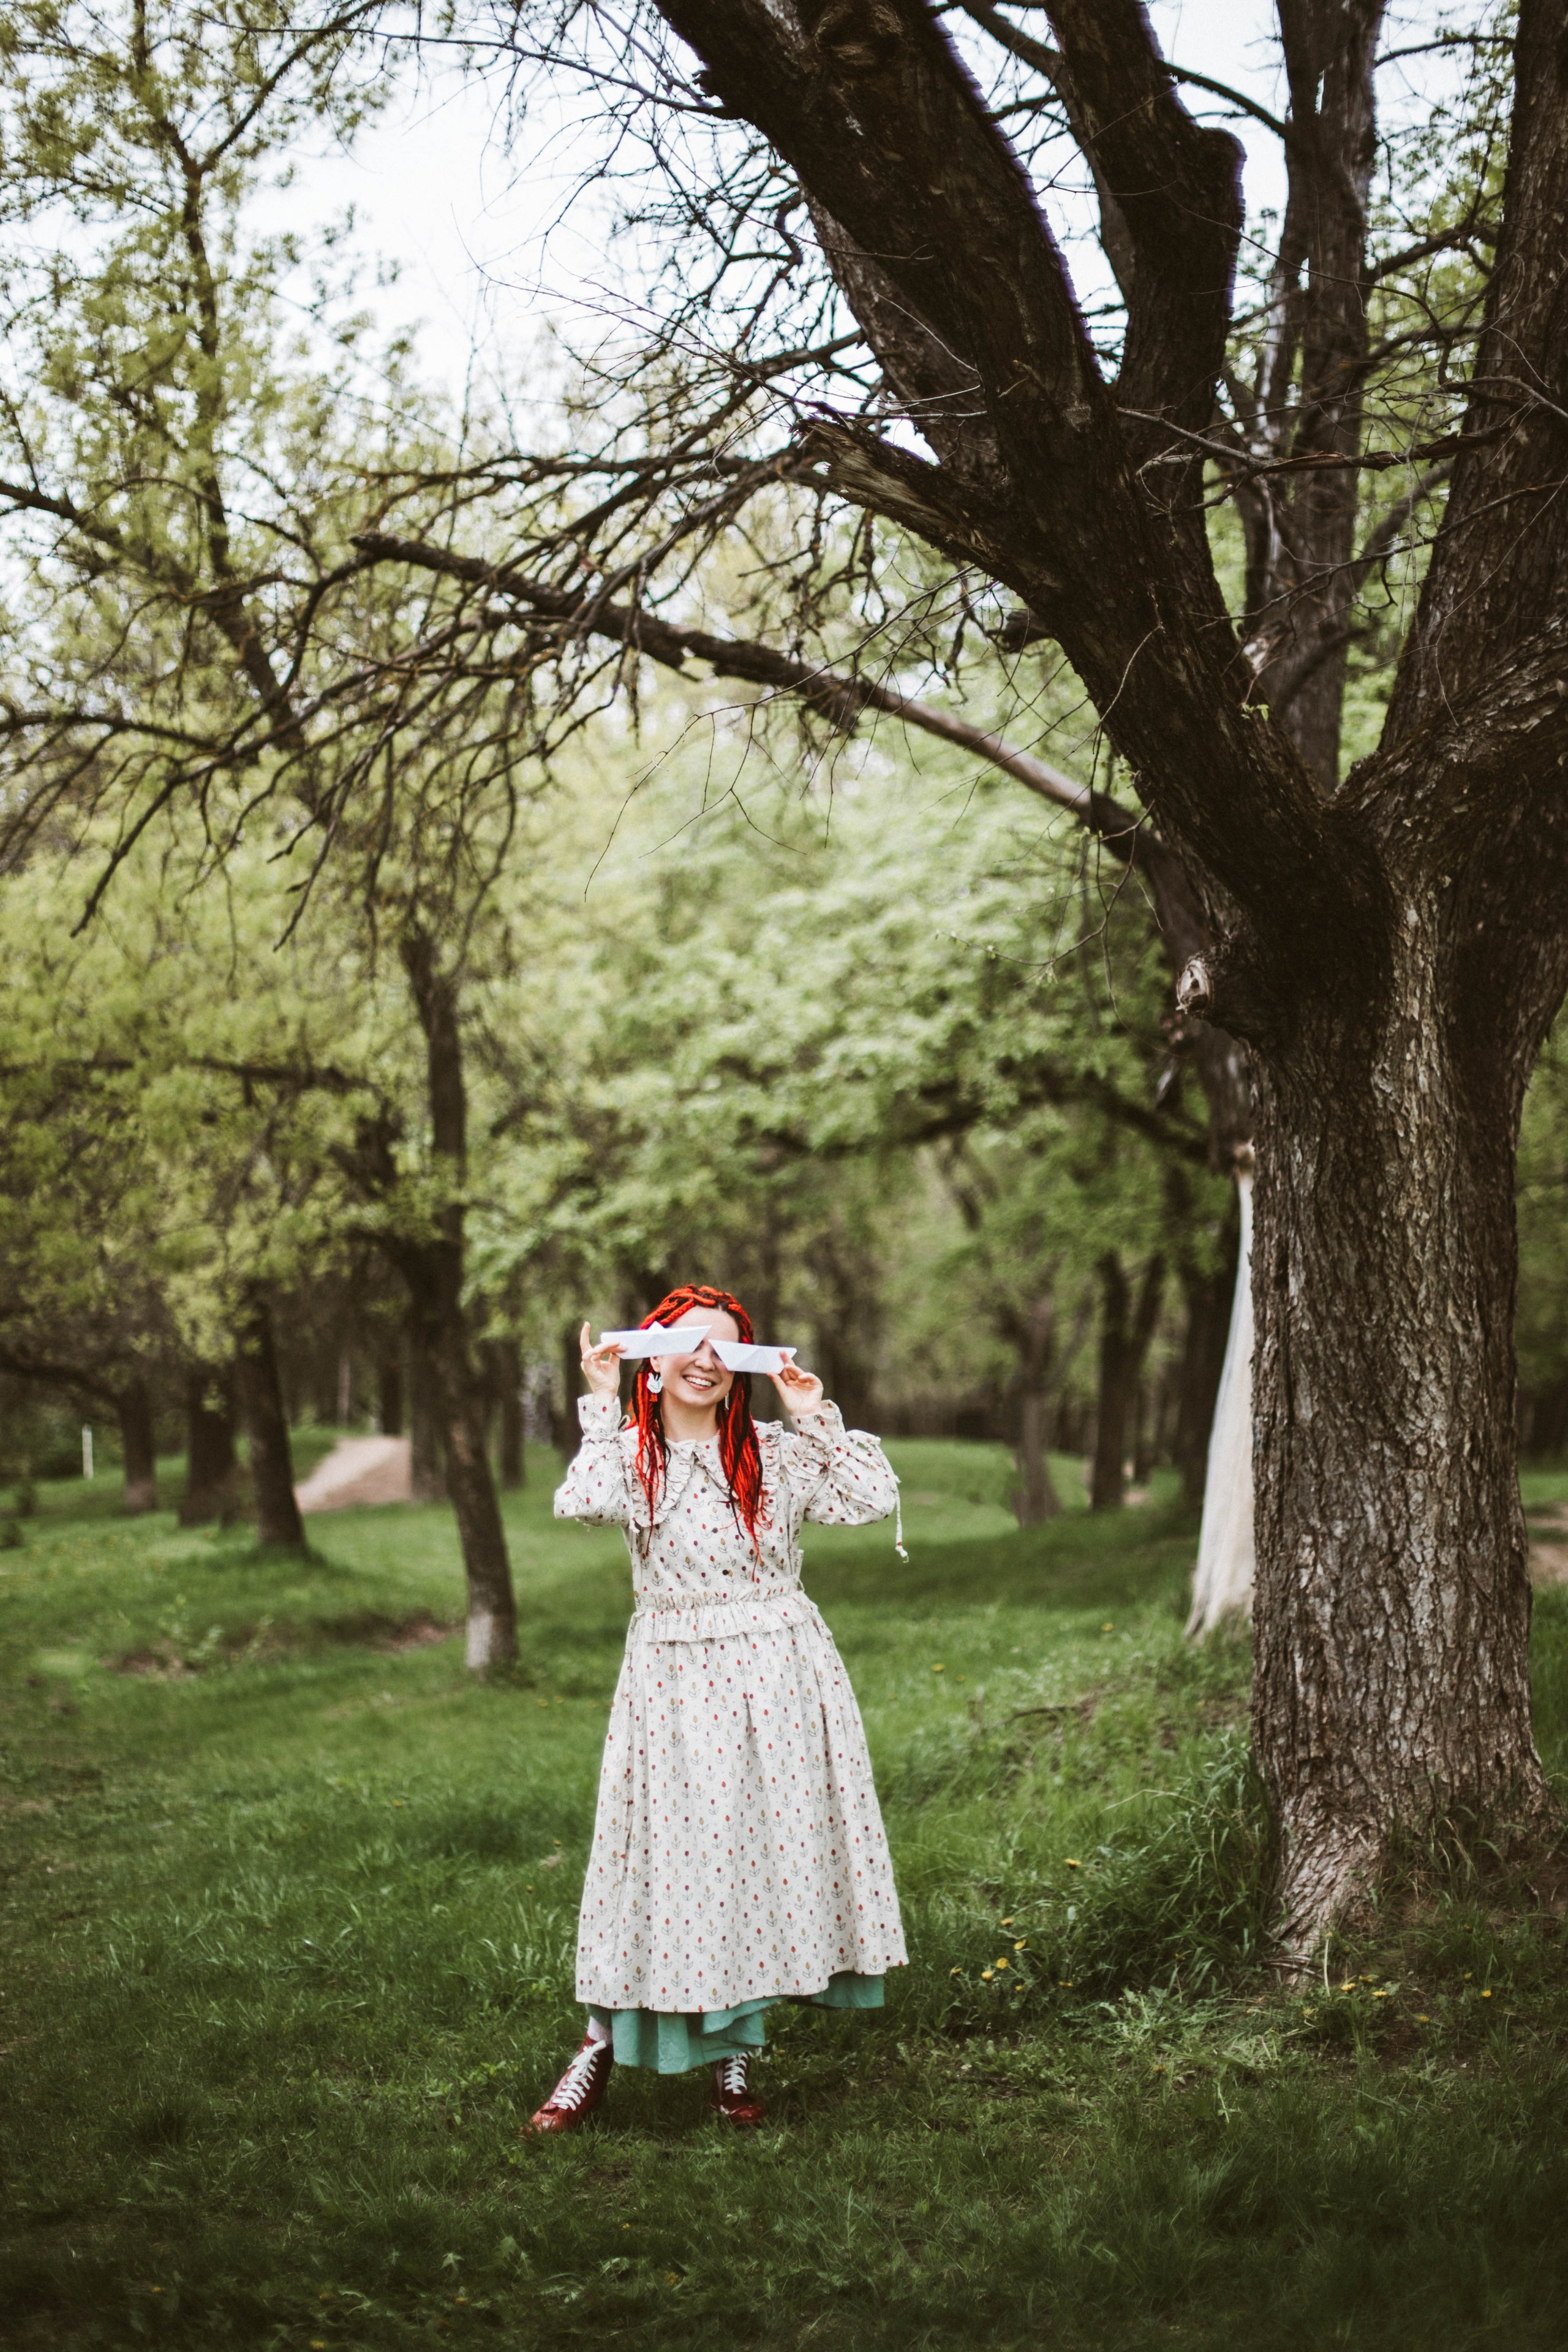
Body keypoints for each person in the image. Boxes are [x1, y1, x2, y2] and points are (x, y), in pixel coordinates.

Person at [526, 1283, 907, 2134]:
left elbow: (873, 1500)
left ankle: (737, 2047)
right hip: (673, 1680)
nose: (707, 1358)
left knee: (754, 1860)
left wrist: (814, 1414)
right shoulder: (630, 1453)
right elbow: (582, 1502)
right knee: (659, 1863)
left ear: (745, 1365)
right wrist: (599, 1404)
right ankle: (596, 2046)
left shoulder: (772, 1451)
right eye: (690, 1342)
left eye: (727, 1346)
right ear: (650, 1359)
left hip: (781, 1673)